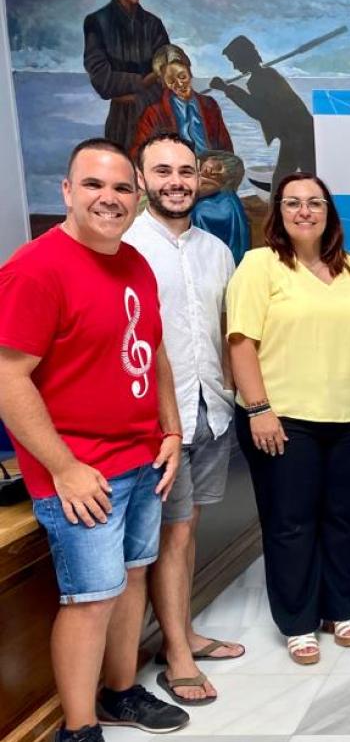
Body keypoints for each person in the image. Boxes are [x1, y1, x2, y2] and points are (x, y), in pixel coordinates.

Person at [0, 138, 188, 741]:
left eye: (121, 189)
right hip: (82, 472)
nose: (109, 199)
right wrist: (64, 467)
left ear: (137, 197)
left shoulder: (133, 262)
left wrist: (171, 428)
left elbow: (153, 350)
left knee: (132, 578)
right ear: (67, 192)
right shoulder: (35, 268)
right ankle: (78, 730)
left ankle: (120, 692)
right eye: (93, 186)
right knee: (90, 599)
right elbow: (7, 376)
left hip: (142, 459)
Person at [226, 173, 350, 666]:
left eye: (315, 202)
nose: (305, 211)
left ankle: (339, 608)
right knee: (291, 523)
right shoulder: (259, 265)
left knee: (342, 519)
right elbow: (242, 342)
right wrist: (258, 408)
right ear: (279, 211)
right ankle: (298, 620)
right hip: (282, 419)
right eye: (293, 203)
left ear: (329, 211)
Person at [122, 133, 243, 706]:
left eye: (187, 171)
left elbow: (224, 334)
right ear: (142, 178)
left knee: (187, 530)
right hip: (155, 422)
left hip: (211, 411)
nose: (177, 182)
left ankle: (183, 629)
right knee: (174, 533)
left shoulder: (215, 250)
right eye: (163, 171)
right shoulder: (125, 246)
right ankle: (176, 657)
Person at [132, 45, 250, 263]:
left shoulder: (209, 105)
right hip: (177, 180)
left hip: (211, 175)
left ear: (189, 71)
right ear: (164, 84)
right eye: (171, 81)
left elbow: (225, 148)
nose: (179, 84)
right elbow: (139, 156)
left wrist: (215, 162)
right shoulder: (153, 113)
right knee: (200, 213)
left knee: (230, 208)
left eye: (183, 77)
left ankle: (231, 268)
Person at [210, 36, 316, 188]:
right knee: (282, 180)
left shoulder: (261, 79)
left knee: (301, 178)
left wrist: (226, 89)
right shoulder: (265, 76)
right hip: (293, 137)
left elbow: (258, 110)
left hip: (300, 137)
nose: (234, 67)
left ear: (244, 58)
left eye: (234, 61)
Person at [83, 0, 170, 153]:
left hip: (155, 120)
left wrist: (129, 90)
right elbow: (103, 82)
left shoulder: (154, 25)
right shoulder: (97, 22)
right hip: (120, 125)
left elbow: (166, 75)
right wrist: (144, 81)